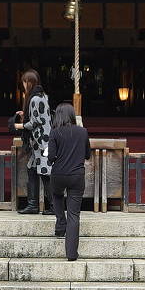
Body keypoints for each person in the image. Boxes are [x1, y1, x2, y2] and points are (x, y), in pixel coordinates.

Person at [48, 102, 91, 260]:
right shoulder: (83, 132)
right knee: (74, 215)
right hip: (76, 176)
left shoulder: (54, 132)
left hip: (58, 174)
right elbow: (87, 155)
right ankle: (71, 254)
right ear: (72, 115)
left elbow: (51, 157)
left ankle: (60, 223)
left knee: (56, 195)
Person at [12, 69, 51, 214]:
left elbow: (35, 122)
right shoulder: (42, 96)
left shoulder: (34, 99)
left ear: (29, 83)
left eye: (24, 82)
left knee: (45, 173)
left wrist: (18, 125)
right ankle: (33, 205)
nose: (23, 85)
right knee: (33, 169)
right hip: (40, 141)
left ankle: (52, 206)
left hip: (41, 141)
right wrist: (25, 114)